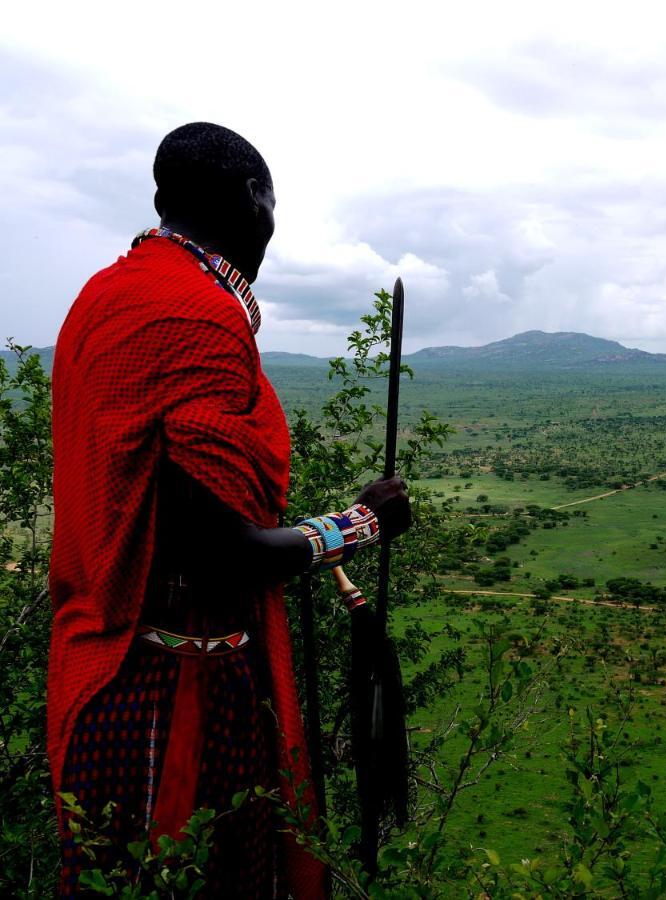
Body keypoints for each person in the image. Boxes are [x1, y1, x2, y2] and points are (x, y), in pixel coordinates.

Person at [48, 122, 410, 896]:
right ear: (253, 200)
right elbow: (222, 555)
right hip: (177, 693)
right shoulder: (196, 315)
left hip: (96, 669)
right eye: (272, 207)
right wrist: (358, 524)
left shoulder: (103, 297)